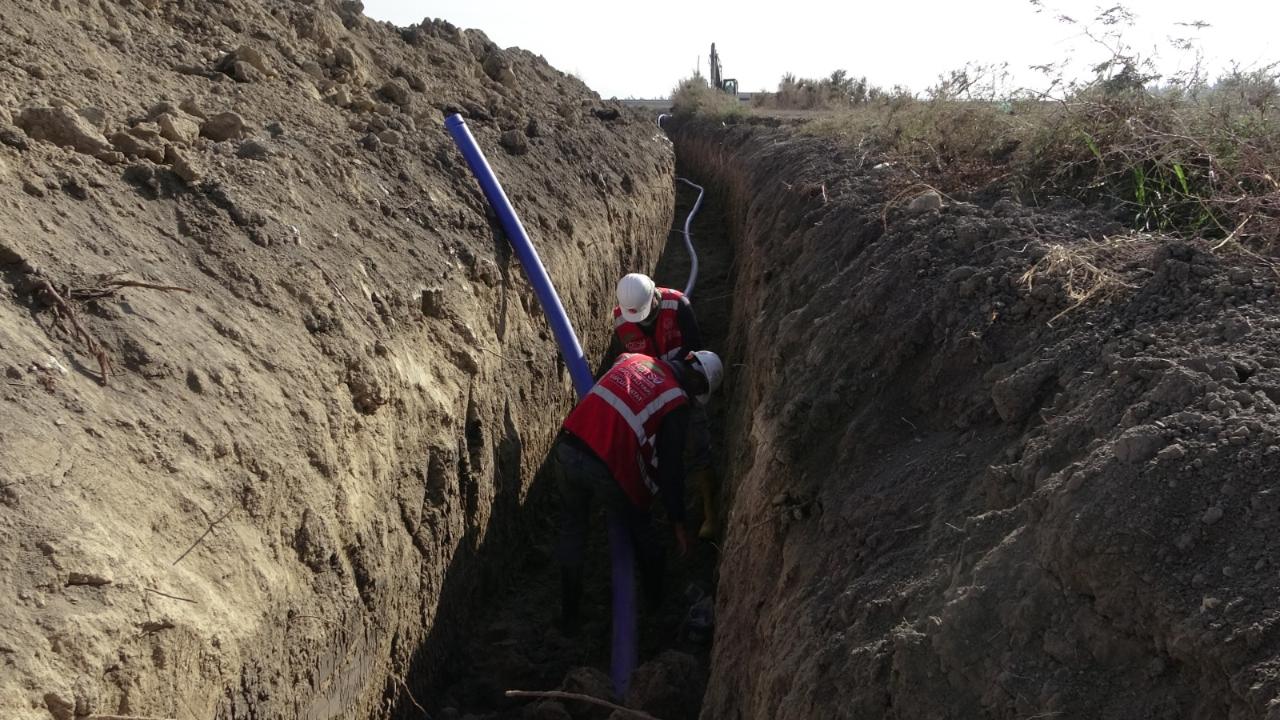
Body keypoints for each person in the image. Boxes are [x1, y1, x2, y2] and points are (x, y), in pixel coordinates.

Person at [555, 350, 724, 635]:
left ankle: (568, 615)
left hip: (568, 447)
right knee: (643, 530)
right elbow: (671, 467)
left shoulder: (633, 358)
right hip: (606, 465)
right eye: (699, 392)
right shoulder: (676, 400)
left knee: (573, 530)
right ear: (697, 382)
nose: (695, 399)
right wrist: (677, 522)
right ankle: (656, 607)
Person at [606, 273, 720, 540]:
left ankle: (710, 511)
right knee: (660, 452)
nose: (644, 321)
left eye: (647, 314)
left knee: (698, 443)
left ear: (655, 296)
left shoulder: (678, 304)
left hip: (685, 387)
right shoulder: (623, 319)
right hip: (651, 395)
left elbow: (694, 354)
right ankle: (662, 503)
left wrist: (676, 387)